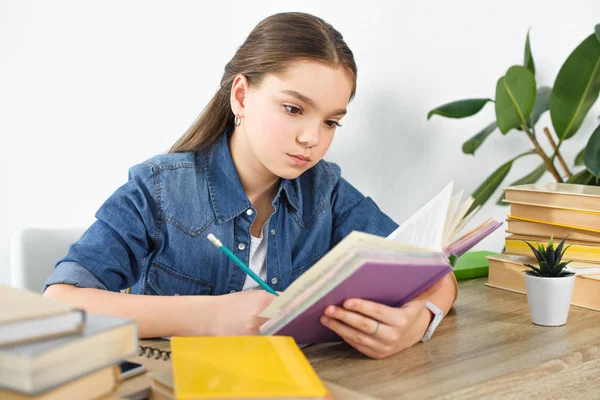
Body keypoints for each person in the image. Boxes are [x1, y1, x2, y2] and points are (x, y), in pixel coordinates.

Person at [44, 12, 457, 359]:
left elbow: (435, 272)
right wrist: (214, 316)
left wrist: (419, 321)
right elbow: (61, 303)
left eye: (331, 121)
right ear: (241, 97)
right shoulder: (159, 189)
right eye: (293, 109)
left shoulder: (325, 190)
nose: (312, 138)